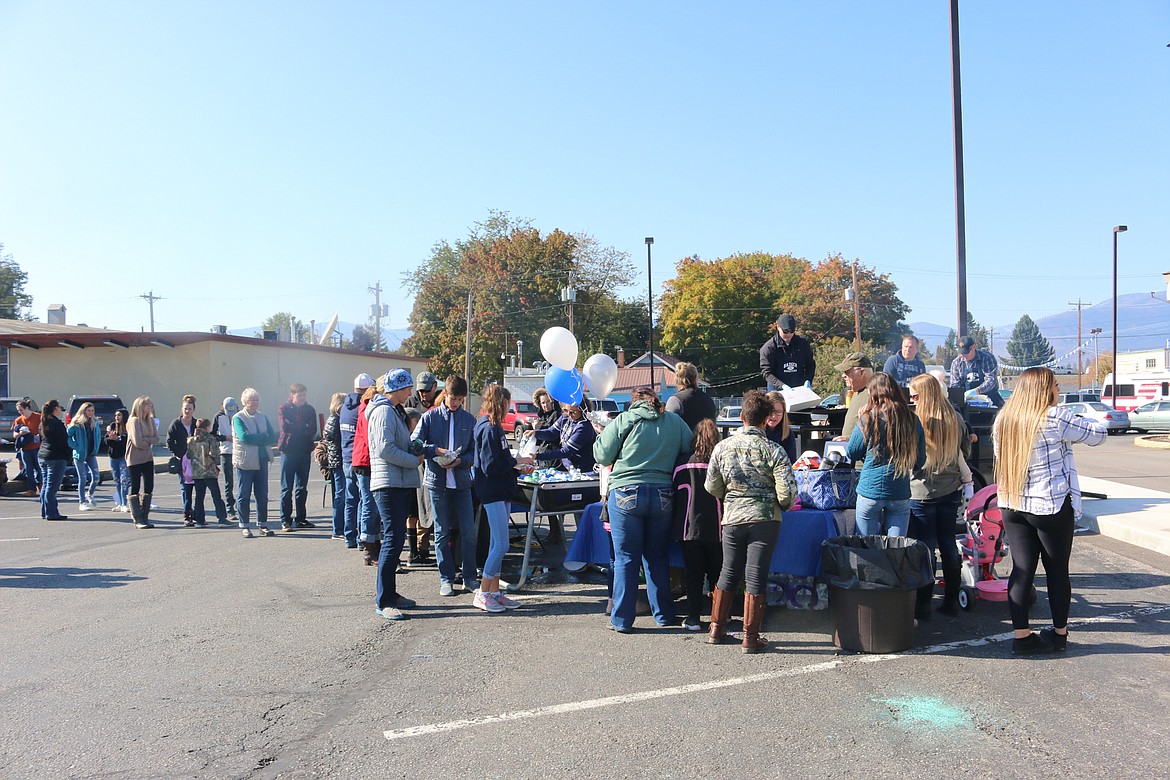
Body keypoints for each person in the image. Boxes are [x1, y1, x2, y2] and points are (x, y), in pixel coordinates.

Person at [993, 367, 1106, 655]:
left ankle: (1021, 637)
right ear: (1045, 390)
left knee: (1021, 570)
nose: (1059, 391)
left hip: (1013, 502)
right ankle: (1059, 635)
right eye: (1056, 386)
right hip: (1050, 504)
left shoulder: (1004, 419)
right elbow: (1099, 435)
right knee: (1057, 571)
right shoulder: (1056, 417)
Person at [593, 386, 693, 633]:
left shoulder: (623, 420)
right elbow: (689, 448)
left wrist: (600, 436)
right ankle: (664, 614)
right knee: (657, 556)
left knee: (626, 558)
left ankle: (622, 620)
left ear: (634, 402)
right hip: (662, 493)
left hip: (625, 493)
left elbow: (602, 456)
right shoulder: (674, 421)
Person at [705, 390, 798, 653]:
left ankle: (716, 628)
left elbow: (711, 486)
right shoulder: (774, 450)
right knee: (755, 575)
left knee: (728, 570)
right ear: (767, 417)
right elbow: (787, 493)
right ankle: (750, 637)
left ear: (742, 417)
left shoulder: (722, 447)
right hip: (765, 519)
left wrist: (731, 497)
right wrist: (782, 505)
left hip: (733, 518)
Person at [907, 373, 973, 618]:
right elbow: (965, 449)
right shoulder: (955, 417)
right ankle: (951, 601)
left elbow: (910, 459)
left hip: (920, 491)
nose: (911, 399)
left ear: (924, 395)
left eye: (914, 395)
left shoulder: (916, 420)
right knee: (948, 544)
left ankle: (923, 604)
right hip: (950, 489)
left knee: (925, 547)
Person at [367, 369, 424, 621]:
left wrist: (418, 447)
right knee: (391, 541)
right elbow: (384, 449)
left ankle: (391, 593)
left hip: (396, 482)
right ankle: (384, 600)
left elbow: (397, 444)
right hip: (388, 483)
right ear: (397, 388)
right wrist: (413, 460)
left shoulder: (393, 411)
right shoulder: (382, 412)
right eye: (407, 387)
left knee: (396, 539)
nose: (410, 392)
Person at [472, 385, 534, 613]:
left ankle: (495, 591)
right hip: (493, 490)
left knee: (495, 543)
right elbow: (491, 465)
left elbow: (497, 462)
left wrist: (517, 470)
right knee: (502, 544)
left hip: (499, 488)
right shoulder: (489, 429)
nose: (509, 407)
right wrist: (517, 461)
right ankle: (483, 593)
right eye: (508, 402)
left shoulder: (491, 426)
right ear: (501, 403)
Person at [414, 375, 477, 597]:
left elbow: (473, 453)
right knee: (441, 532)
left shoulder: (469, 420)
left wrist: (461, 461)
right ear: (445, 394)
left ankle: (469, 577)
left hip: (461, 482)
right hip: (436, 482)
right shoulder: (430, 417)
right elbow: (415, 443)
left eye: (460, 399)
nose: (456, 403)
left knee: (469, 531)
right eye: (453, 398)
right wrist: (436, 451)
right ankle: (446, 578)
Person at [846, 372, 926, 537]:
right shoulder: (912, 420)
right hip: (899, 491)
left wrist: (860, 419)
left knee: (865, 546)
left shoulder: (868, 418)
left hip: (870, 491)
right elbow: (920, 460)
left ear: (873, 395)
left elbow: (852, 452)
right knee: (896, 550)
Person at [671, 418, 722, 633]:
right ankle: (719, 618)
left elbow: (673, 493)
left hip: (688, 528)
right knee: (717, 575)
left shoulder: (682, 463)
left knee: (693, 575)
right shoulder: (721, 463)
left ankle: (693, 618)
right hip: (718, 528)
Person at [405, 370, 440, 564]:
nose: (423, 394)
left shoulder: (440, 403)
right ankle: (415, 551)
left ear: (434, 387)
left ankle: (423, 548)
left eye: (427, 390)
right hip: (415, 462)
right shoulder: (410, 403)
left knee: (427, 507)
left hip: (432, 461)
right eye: (420, 391)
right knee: (415, 508)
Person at [233, 387, 277, 538]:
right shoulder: (238, 418)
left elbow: (272, 436)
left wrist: (258, 437)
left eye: (257, 400)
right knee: (244, 494)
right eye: (252, 400)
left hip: (262, 460)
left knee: (262, 494)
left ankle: (263, 524)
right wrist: (261, 437)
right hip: (245, 461)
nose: (255, 403)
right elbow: (244, 438)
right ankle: (245, 525)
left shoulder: (262, 417)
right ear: (245, 402)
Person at [277, 383, 318, 532]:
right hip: (288, 451)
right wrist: (302, 426)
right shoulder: (284, 409)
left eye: (304, 395)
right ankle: (285, 520)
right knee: (286, 487)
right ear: (292, 395)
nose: (302, 398)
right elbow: (285, 427)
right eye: (299, 395)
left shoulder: (309, 409)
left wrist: (299, 427)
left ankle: (301, 519)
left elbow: (313, 429)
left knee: (302, 488)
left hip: (304, 451)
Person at [339, 374, 373, 549]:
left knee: (350, 499)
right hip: (359, 459)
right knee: (364, 500)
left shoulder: (345, 406)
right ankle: (362, 538)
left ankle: (349, 536)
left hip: (346, 457)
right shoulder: (363, 407)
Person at [352, 383, 382, 561]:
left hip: (366, 460)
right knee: (369, 505)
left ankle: (372, 541)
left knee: (369, 504)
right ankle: (368, 547)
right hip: (365, 461)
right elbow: (372, 438)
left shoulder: (365, 409)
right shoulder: (367, 411)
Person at [187, 417, 229, 527]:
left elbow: (188, 455)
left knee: (199, 497)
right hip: (209, 471)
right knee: (216, 495)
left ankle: (199, 520)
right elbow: (214, 453)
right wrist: (215, 462)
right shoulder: (210, 439)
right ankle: (222, 518)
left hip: (197, 472)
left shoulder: (191, 440)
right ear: (207, 427)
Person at [125, 396, 160, 529]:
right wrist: (147, 440)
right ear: (140, 406)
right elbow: (137, 442)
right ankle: (137, 518)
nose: (150, 407)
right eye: (147, 405)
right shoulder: (134, 421)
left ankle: (145, 516)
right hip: (134, 458)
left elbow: (156, 438)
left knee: (149, 486)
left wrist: (146, 439)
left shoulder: (150, 420)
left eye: (151, 405)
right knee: (135, 486)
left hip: (147, 457)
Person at [760, 313, 816, 391]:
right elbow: (767, 373)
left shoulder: (803, 344)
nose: (789, 334)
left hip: (799, 388)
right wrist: (782, 386)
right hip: (777, 391)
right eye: (785, 331)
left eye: (791, 331)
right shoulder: (769, 348)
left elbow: (810, 364)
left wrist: (808, 380)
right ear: (778, 327)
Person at [166, 395, 198, 524]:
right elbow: (169, 440)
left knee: (197, 487)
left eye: (190, 408)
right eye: (185, 408)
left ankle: (197, 514)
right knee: (185, 487)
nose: (187, 411)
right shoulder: (176, 424)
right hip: (182, 461)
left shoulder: (197, 424)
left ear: (193, 410)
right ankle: (187, 514)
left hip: (196, 461)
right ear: (182, 409)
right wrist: (178, 453)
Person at [38, 399, 70, 521]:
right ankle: (51, 513)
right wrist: (68, 455)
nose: (61, 411)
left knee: (46, 485)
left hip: (43, 455)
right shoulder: (56, 424)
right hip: (55, 457)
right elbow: (63, 442)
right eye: (59, 408)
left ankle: (45, 511)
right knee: (51, 487)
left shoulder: (43, 422)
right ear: (55, 409)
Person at [950, 335, 1004, 407]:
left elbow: (991, 380)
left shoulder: (987, 358)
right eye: (961, 353)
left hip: (989, 402)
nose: (963, 356)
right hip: (966, 404)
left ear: (974, 347)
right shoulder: (956, 363)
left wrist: (977, 390)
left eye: (966, 353)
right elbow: (955, 385)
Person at [67, 402, 101, 511]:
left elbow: (98, 435)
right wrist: (75, 446)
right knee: (83, 478)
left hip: (91, 453)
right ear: (83, 411)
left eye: (92, 411)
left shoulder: (94, 422)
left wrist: (97, 446)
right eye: (88, 410)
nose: (90, 413)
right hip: (80, 454)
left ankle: (90, 494)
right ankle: (82, 502)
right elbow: (68, 436)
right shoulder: (77, 423)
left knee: (96, 477)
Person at [211, 397, 240, 523]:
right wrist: (225, 437)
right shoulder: (218, 417)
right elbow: (213, 434)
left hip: (239, 450)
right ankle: (230, 509)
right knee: (229, 481)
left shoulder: (239, 415)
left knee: (241, 480)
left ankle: (241, 507)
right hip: (225, 451)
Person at [664, 362, 717, 430]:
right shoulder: (708, 399)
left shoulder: (675, 400)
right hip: (708, 439)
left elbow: (667, 426)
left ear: (677, 380)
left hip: (686, 440)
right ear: (696, 379)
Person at [323, 392, 347, 540]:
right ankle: (337, 529)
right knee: (340, 495)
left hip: (338, 461)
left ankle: (341, 526)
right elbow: (335, 441)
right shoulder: (334, 420)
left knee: (343, 494)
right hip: (338, 462)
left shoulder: (337, 419)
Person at [834, 352, 874, 441]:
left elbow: (877, 430)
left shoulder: (875, 393)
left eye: (847, 372)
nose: (843, 375)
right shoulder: (857, 391)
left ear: (862, 372)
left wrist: (849, 439)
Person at [13, 399, 41, 497]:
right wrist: (20, 433)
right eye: (18, 410)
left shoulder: (38, 417)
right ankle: (31, 489)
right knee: (28, 469)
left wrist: (38, 435)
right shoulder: (18, 420)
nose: (20, 412)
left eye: (21, 410)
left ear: (27, 408)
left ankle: (41, 487)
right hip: (25, 448)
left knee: (39, 468)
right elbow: (14, 434)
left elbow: (44, 430)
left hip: (37, 447)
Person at [105, 407, 131, 513]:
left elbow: (126, 441)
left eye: (119, 415)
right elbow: (106, 440)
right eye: (116, 415)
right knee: (116, 480)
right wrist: (111, 439)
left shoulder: (128, 427)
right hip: (113, 456)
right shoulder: (112, 426)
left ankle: (124, 503)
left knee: (124, 479)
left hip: (124, 457)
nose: (117, 417)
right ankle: (120, 503)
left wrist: (118, 439)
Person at [763, 390, 798, 463]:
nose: (773, 416)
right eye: (770, 411)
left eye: (778, 412)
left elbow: (792, 461)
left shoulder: (788, 433)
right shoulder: (758, 433)